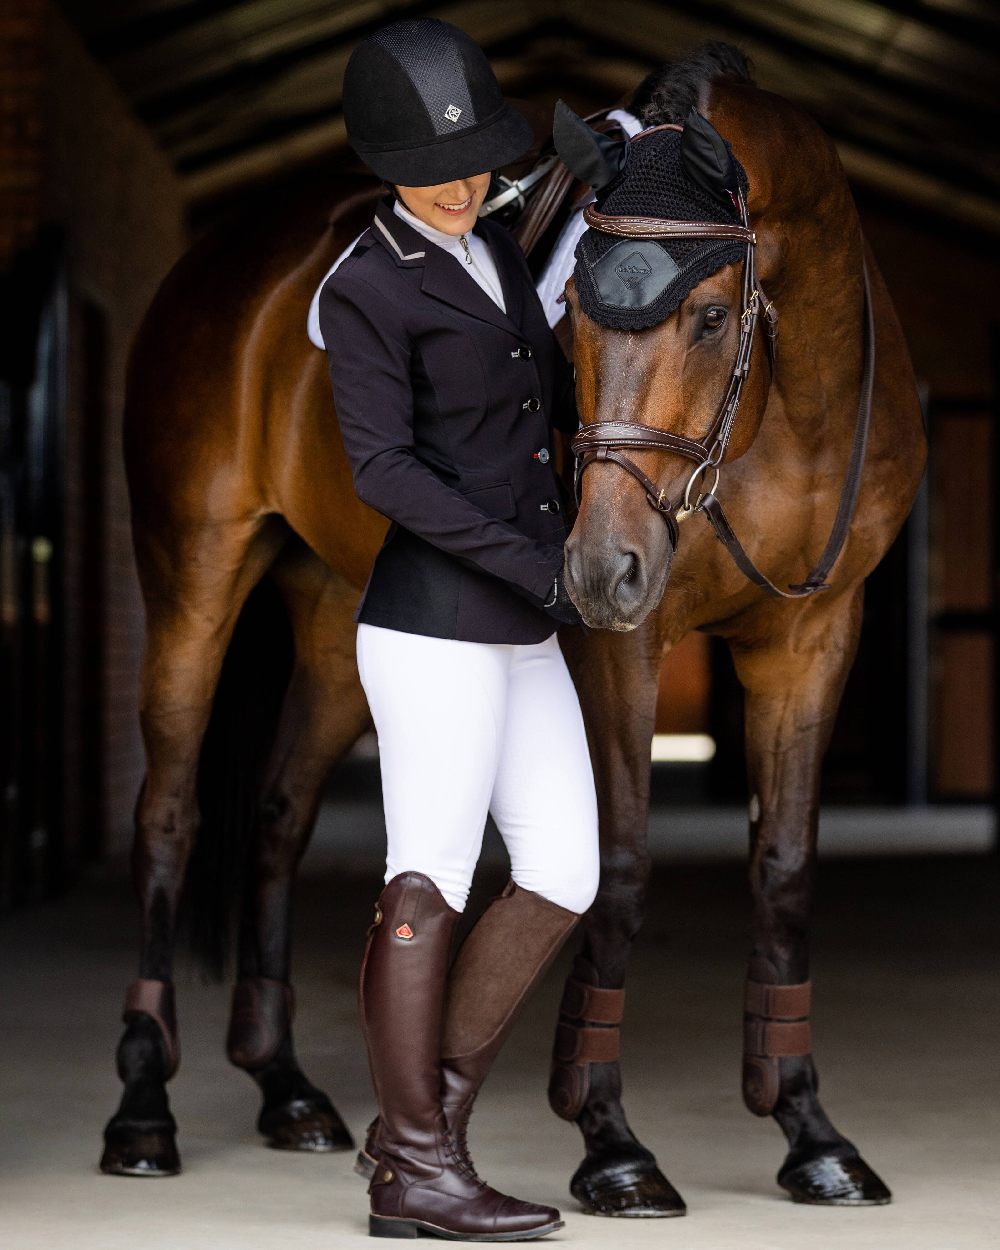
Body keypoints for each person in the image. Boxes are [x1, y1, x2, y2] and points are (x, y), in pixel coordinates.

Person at [318, 16, 600, 1243]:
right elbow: (383, 469)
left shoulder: (491, 242)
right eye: (436, 165)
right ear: (381, 161)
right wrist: (536, 565)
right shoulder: (364, 284)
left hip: (523, 617)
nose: (462, 179)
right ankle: (423, 1170)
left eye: (479, 157)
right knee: (423, 873)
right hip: (434, 626)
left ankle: (411, 1132)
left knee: (562, 870)